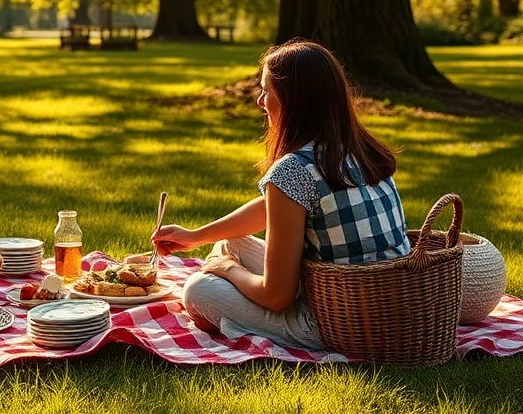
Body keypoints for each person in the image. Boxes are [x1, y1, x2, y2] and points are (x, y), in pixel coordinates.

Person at [150, 39, 410, 349]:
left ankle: (229, 304)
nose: (260, 101)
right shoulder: (357, 150)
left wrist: (227, 270)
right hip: (392, 304)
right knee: (230, 242)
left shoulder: (294, 169)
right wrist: (194, 236)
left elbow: (277, 297)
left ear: (292, 100)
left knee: (197, 290)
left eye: (266, 91)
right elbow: (272, 208)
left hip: (336, 324)